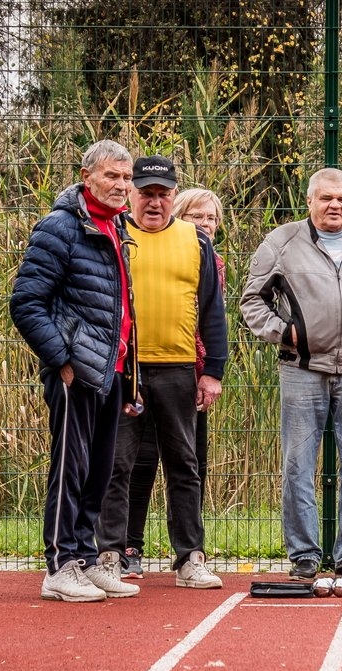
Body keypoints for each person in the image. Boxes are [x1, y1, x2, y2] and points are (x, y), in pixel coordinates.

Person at [240, 167, 342, 583]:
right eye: (326, 198)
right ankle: (304, 555)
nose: (335, 205)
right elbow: (252, 300)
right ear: (310, 200)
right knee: (297, 465)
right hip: (302, 370)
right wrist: (287, 334)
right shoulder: (281, 242)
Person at [10, 139, 140, 602]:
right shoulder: (61, 227)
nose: (122, 185)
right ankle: (60, 565)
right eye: (112, 176)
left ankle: (85, 559)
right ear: (87, 177)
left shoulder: (118, 226)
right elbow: (26, 303)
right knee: (71, 468)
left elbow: (120, 307)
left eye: (127, 178)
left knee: (99, 471)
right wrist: (62, 361)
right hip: (76, 372)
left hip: (112, 370)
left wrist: (130, 374)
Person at [94, 156, 228, 589]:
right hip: (124, 372)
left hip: (177, 370)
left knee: (184, 465)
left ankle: (190, 558)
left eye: (163, 194)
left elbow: (213, 311)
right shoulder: (113, 233)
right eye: (146, 193)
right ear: (132, 193)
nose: (154, 202)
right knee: (117, 465)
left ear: (173, 196)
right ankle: (110, 555)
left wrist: (212, 371)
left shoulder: (195, 241)